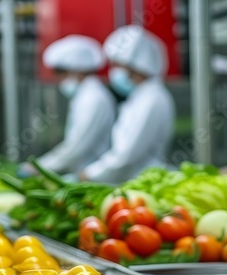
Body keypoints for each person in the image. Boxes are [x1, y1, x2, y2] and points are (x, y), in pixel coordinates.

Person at [79, 26, 175, 183]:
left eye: (117, 65)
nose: (114, 72)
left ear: (136, 64)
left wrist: (90, 173)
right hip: (131, 180)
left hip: (143, 181)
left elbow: (126, 154)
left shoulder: (152, 99)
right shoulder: (139, 96)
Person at [29, 35, 115, 176]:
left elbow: (76, 147)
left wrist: (39, 167)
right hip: (84, 170)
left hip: (91, 174)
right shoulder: (85, 95)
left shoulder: (93, 98)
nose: (57, 79)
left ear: (78, 70)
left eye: (60, 72)